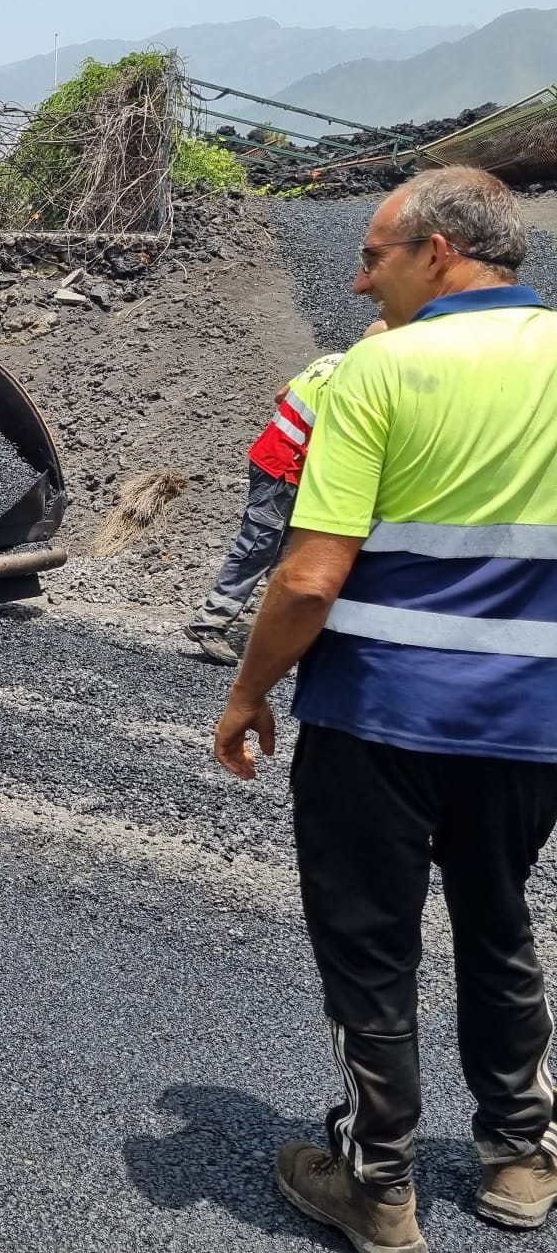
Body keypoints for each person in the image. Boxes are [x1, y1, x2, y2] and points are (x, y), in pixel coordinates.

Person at [212, 166, 557, 1251]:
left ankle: (378, 1187)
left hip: (379, 720)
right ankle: (520, 1158)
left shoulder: (378, 372)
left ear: (440, 252)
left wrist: (248, 691)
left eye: (375, 257)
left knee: (370, 946)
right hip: (529, 721)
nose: (362, 283)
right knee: (500, 923)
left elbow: (310, 577)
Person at [185, 321, 386, 664]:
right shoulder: (355, 383)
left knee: (286, 553)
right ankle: (210, 622)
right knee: (259, 546)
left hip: (274, 459)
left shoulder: (330, 361)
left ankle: (280, 631)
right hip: (284, 468)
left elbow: (281, 394)